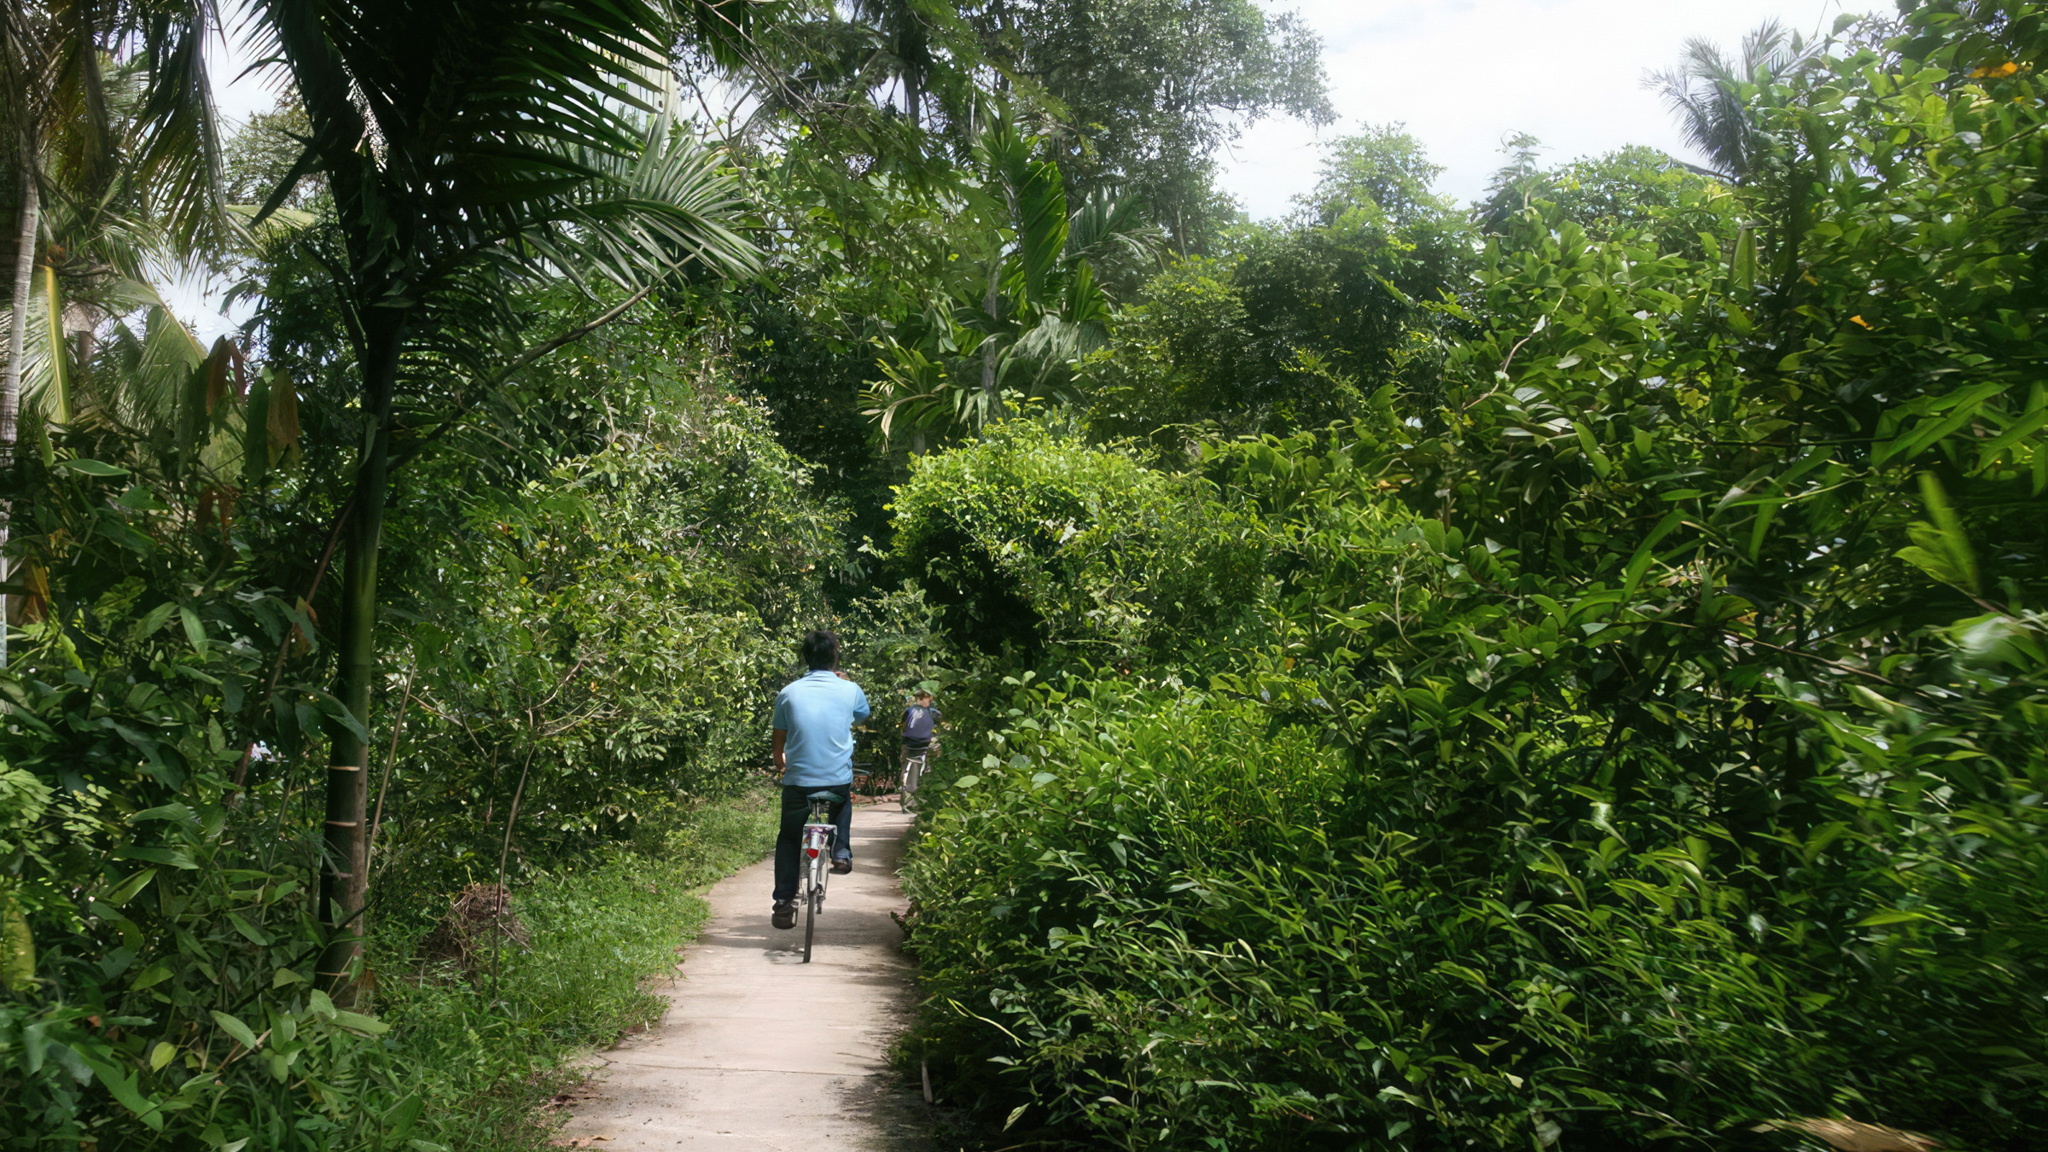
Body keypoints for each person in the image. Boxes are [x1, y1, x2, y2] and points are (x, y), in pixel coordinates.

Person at [768, 630, 869, 930]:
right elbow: (862, 716)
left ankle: (784, 902)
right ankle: (841, 852)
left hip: (798, 784)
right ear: (836, 657)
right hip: (836, 781)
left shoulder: (788, 693)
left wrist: (781, 765)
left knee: (788, 836)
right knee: (842, 801)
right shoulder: (850, 690)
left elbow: (778, 745)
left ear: (805, 658)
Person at [900, 689, 940, 798]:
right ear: (923, 699)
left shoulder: (908, 711)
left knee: (907, 768)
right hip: (923, 745)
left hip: (908, 745)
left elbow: (902, 727)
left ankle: (906, 792)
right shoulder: (932, 712)